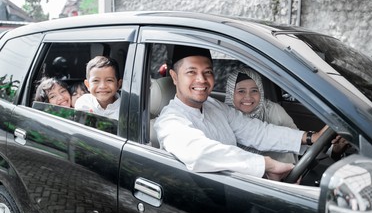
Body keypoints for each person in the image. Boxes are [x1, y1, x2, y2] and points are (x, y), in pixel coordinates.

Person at [154, 45, 327, 181]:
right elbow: (198, 152)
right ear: (175, 77)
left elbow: (257, 132)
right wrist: (267, 165)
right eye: (191, 72)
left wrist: (311, 137)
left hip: (234, 187)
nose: (201, 79)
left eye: (207, 72)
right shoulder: (169, 121)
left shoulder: (215, 106)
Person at [225, 67, 298, 163]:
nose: (248, 97)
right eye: (241, 91)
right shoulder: (222, 115)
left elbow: (295, 139)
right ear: (231, 93)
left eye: (254, 91)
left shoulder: (274, 110)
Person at [75, 56, 122, 120]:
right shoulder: (84, 103)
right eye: (96, 81)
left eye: (109, 80)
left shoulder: (125, 108)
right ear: (88, 85)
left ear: (118, 84)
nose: (102, 86)